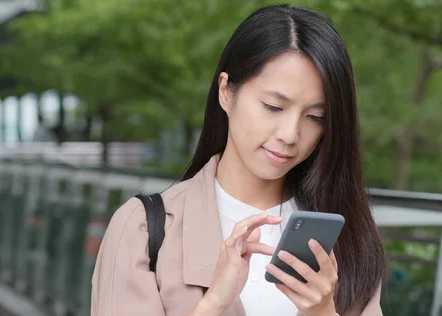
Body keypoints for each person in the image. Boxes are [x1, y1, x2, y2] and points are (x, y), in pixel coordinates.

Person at [91, 4, 387, 316]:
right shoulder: (144, 230)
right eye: (273, 106)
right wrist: (213, 304)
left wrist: (323, 312)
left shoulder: (348, 240)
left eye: (315, 117)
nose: (290, 134)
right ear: (226, 92)